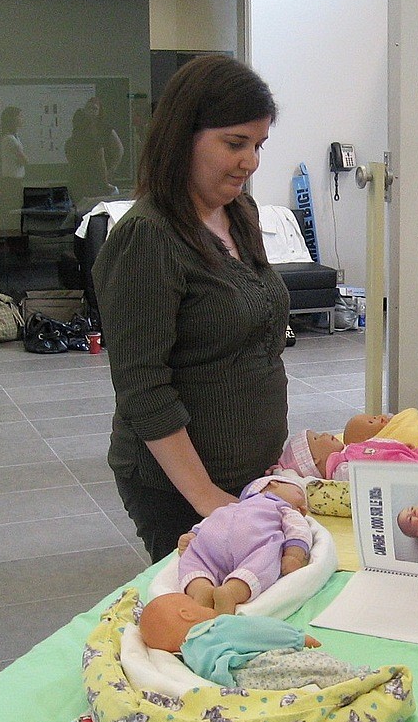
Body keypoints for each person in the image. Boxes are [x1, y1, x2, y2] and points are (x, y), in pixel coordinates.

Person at [92, 54, 289, 563]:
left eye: (258, 145)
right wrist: (209, 501)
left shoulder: (238, 214)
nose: (251, 161)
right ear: (184, 136)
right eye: (235, 143)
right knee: (196, 621)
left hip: (247, 475)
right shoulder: (147, 238)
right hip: (181, 489)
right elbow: (143, 386)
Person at [139, 592, 360, 691]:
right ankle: (361, 679)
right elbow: (261, 631)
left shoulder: (189, 657)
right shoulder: (216, 628)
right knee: (319, 666)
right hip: (262, 667)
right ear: (186, 614)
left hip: (244, 688)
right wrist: (297, 637)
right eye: (195, 602)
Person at [176, 475, 314, 615]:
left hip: (213, 542)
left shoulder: (231, 506)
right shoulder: (281, 507)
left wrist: (193, 536)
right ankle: (231, 592)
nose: (303, 509)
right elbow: (298, 530)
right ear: (273, 483)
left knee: (194, 559)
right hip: (252, 541)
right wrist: (294, 554)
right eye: (300, 495)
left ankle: (200, 588)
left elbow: (211, 520)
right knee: (266, 558)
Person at [277, 427, 418, 481]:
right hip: (398, 469)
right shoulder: (340, 470)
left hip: (400, 454)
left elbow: (373, 445)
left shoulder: (347, 450)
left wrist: (396, 445)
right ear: (314, 460)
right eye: (316, 438)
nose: (325, 434)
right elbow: (368, 474)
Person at [65, 107, 115, 202]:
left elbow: (71, 164)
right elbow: (101, 165)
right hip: (94, 186)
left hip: (75, 185)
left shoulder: (69, 143)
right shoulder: (95, 144)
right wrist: (106, 184)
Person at [0, 106, 27, 216]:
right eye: (20, 116)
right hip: (11, 181)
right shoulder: (10, 139)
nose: (22, 119)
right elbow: (24, 159)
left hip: (15, 180)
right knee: (13, 210)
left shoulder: (15, 137)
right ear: (13, 119)